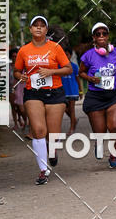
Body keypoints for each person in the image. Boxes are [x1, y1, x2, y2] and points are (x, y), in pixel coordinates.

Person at [14, 16, 72, 184]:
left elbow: (68, 69)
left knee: (53, 135)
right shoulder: (24, 50)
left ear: (46, 30)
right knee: (39, 130)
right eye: (35, 25)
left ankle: (52, 151)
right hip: (33, 93)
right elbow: (16, 71)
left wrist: (51, 72)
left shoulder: (55, 47)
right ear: (30, 29)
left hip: (55, 92)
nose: (38, 28)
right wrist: (20, 76)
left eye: (42, 25)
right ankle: (43, 170)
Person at [79, 22, 116, 168]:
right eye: (98, 34)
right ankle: (98, 142)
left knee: (114, 126)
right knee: (100, 131)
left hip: (114, 95)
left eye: (104, 33)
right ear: (93, 37)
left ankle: (113, 155)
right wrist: (90, 79)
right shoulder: (88, 55)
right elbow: (81, 72)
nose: (101, 36)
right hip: (95, 97)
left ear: (108, 36)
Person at [61, 46, 80, 133]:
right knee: (64, 108)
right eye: (64, 54)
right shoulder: (59, 66)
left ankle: (72, 128)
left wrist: (80, 91)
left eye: (67, 54)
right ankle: (74, 120)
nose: (65, 56)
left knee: (72, 109)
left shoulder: (74, 66)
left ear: (70, 55)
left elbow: (78, 79)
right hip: (62, 92)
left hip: (72, 91)